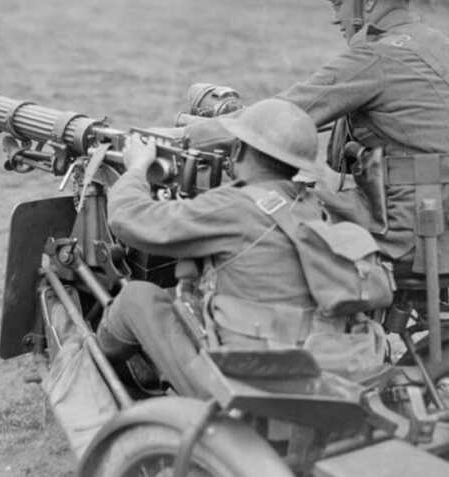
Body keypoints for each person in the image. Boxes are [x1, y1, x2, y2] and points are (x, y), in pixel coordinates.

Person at [185, 0, 449, 275]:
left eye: (339, 4)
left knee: (264, 209)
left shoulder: (375, 57)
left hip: (412, 233)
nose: (335, 18)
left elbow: (279, 116)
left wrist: (187, 134)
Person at [96, 99, 378, 398]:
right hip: (310, 367)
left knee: (136, 298)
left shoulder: (233, 207)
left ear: (239, 149)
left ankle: (107, 386)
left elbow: (129, 219)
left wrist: (136, 169)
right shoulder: (310, 206)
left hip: (243, 380)